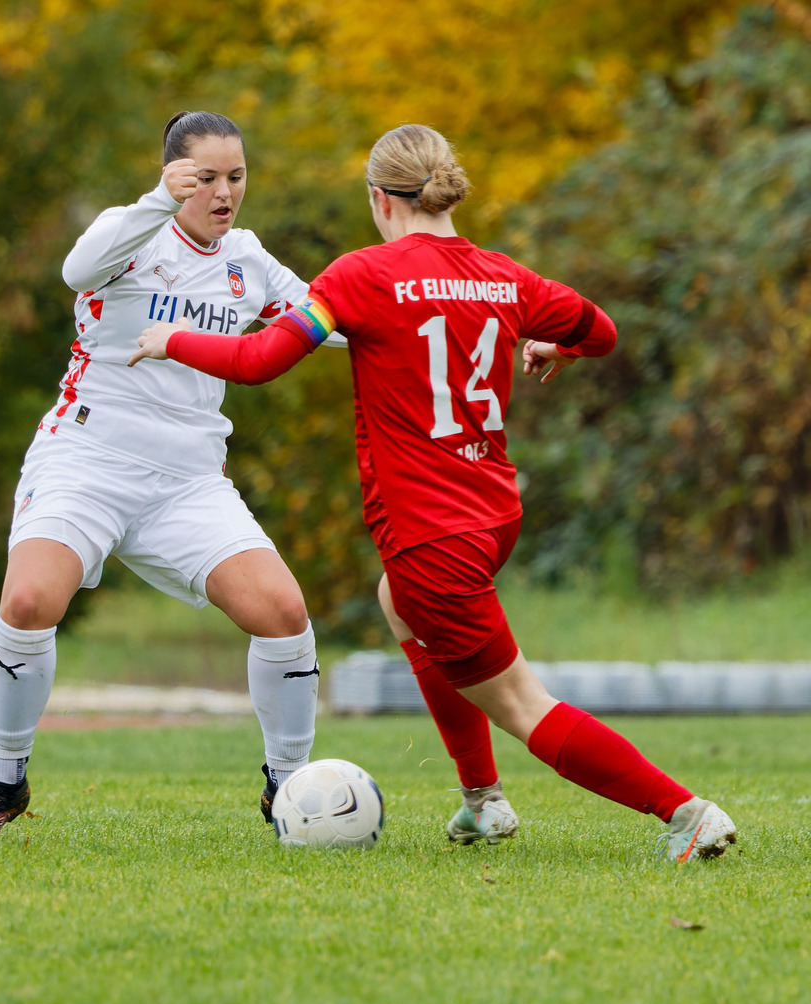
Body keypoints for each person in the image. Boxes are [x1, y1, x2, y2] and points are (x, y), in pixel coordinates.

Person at [129, 123, 738, 862]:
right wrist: (558, 345)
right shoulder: (505, 277)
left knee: (521, 703)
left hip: (431, 532)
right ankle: (483, 800)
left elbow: (260, 360)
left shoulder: (360, 276)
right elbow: (602, 330)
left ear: (380, 199)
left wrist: (170, 340)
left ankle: (686, 814)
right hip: (492, 514)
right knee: (398, 603)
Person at [0, 111, 333, 838]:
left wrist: (417, 318)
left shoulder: (248, 259)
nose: (225, 192)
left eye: (237, 176)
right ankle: (4, 785)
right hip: (86, 459)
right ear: (175, 174)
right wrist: (158, 199)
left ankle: (287, 791)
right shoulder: (132, 230)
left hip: (188, 481)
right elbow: (76, 271)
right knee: (28, 601)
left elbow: (326, 318)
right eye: (207, 177)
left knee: (283, 613)